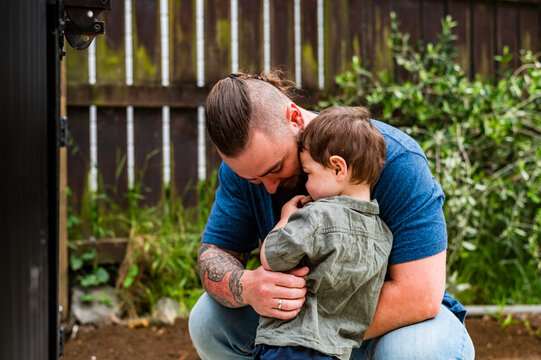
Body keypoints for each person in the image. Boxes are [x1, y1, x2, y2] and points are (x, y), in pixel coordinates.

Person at [189, 71, 475, 360]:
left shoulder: (395, 159)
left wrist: (313, 334)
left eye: (275, 168)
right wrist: (248, 287)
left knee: (421, 353)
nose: (270, 187)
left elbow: (419, 296)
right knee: (208, 320)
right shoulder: (249, 170)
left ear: (294, 118)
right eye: (253, 181)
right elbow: (214, 253)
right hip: (294, 322)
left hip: (385, 324)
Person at [253, 106, 393, 360]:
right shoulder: (383, 235)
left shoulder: (316, 217)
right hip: (337, 351)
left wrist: (285, 218)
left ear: (338, 169)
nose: (304, 183)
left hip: (290, 345)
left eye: (308, 173)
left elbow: (271, 256)